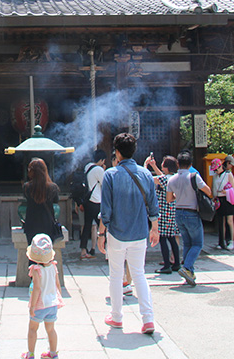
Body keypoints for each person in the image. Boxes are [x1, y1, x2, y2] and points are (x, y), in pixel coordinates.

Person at [96, 132, 159, 334]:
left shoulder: (111, 175)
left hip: (117, 232)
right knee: (139, 274)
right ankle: (148, 319)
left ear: (117, 152)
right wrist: (155, 228)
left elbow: (106, 209)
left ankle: (117, 317)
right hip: (140, 231)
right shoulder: (146, 174)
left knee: (116, 275)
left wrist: (101, 234)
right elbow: (153, 204)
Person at [163, 150, 211, 287]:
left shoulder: (171, 179)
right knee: (197, 244)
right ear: (190, 164)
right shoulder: (194, 177)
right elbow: (207, 190)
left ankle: (190, 273)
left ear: (177, 164)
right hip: (192, 212)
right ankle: (186, 267)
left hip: (178, 213)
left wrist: (178, 196)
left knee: (188, 243)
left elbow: (169, 199)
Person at [23, 233, 62, 359]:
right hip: (52, 303)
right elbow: (57, 284)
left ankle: (31, 354)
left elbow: (37, 288)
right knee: (51, 330)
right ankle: (53, 353)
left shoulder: (36, 270)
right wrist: (58, 298)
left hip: (40, 304)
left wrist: (32, 306)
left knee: (33, 329)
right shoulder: (53, 267)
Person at [145, 154, 181, 272]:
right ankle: (176, 263)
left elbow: (147, 178)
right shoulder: (174, 177)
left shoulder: (164, 179)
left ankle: (166, 265)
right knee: (171, 238)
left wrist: (146, 165)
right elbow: (162, 176)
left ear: (166, 166)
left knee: (163, 239)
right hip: (172, 212)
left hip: (163, 212)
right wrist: (154, 166)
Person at [22, 158, 61, 245]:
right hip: (47, 224)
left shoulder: (27, 187)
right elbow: (56, 201)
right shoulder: (53, 188)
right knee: (47, 253)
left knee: (32, 253)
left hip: (31, 224)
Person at [79, 149, 106, 260]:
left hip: (87, 201)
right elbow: (105, 184)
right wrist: (103, 170)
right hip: (97, 201)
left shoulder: (87, 167)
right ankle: (105, 250)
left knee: (87, 226)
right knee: (103, 226)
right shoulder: (98, 169)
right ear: (101, 160)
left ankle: (83, 250)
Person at [212, 156, 234, 250]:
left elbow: (233, 188)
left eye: (216, 169)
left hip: (228, 199)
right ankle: (221, 241)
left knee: (229, 220)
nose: (215, 171)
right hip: (219, 199)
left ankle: (232, 240)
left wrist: (226, 192)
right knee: (220, 221)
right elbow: (213, 187)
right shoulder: (215, 176)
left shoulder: (228, 174)